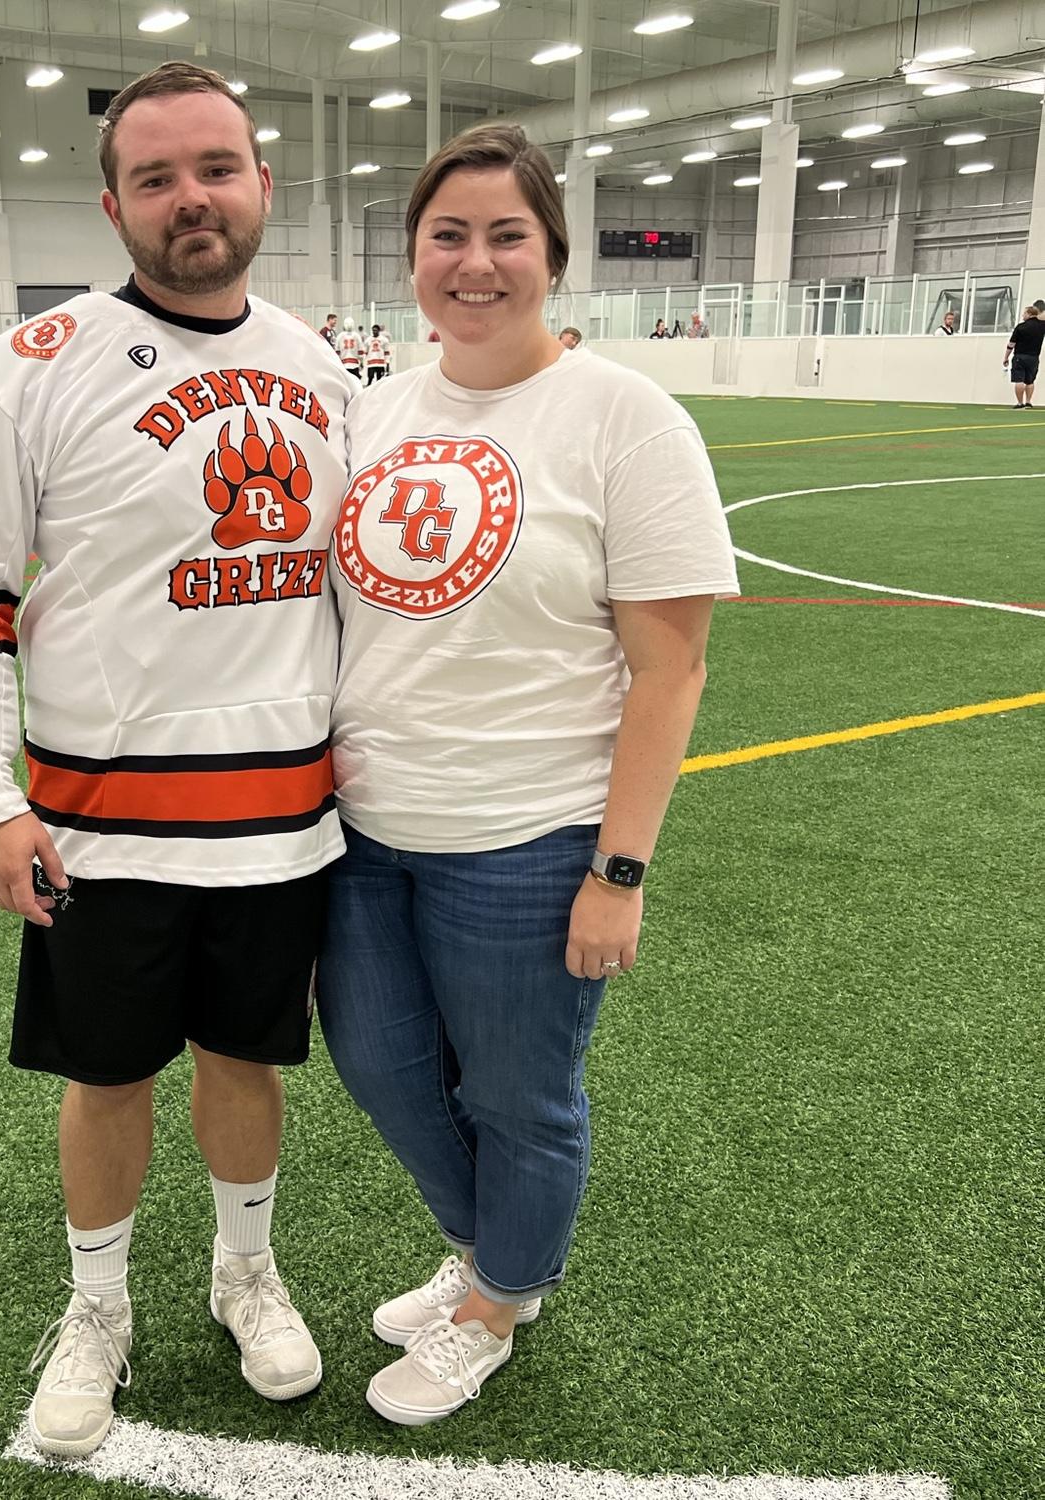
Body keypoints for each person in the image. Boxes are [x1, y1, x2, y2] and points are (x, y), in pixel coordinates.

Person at [0, 61, 353, 1460]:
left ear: (266, 184)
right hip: (101, 821)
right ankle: (98, 1309)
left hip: (282, 818)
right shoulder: (24, 370)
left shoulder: (323, 365)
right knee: (106, 1078)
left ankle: (244, 1270)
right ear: (113, 205)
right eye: (156, 178)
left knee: (245, 1062)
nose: (190, 198)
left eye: (216, 167)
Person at [319, 121, 739, 1427]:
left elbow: (670, 672)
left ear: (553, 254)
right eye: (450, 234)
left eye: (508, 235)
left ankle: (498, 1298)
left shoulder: (626, 417)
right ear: (413, 257)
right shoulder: (374, 409)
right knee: (384, 1067)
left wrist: (618, 872)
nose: (477, 261)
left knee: (516, 1094)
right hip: (361, 831)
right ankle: (501, 1251)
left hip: (527, 837)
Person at [1004, 304, 1045, 407]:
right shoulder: (1042, 326)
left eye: (1024, 313)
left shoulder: (1021, 327)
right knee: (1030, 380)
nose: (1023, 315)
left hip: (1020, 356)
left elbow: (1011, 344)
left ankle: (1019, 402)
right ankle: (1028, 401)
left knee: (1019, 380)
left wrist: (1006, 357)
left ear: (1029, 314)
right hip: (1034, 357)